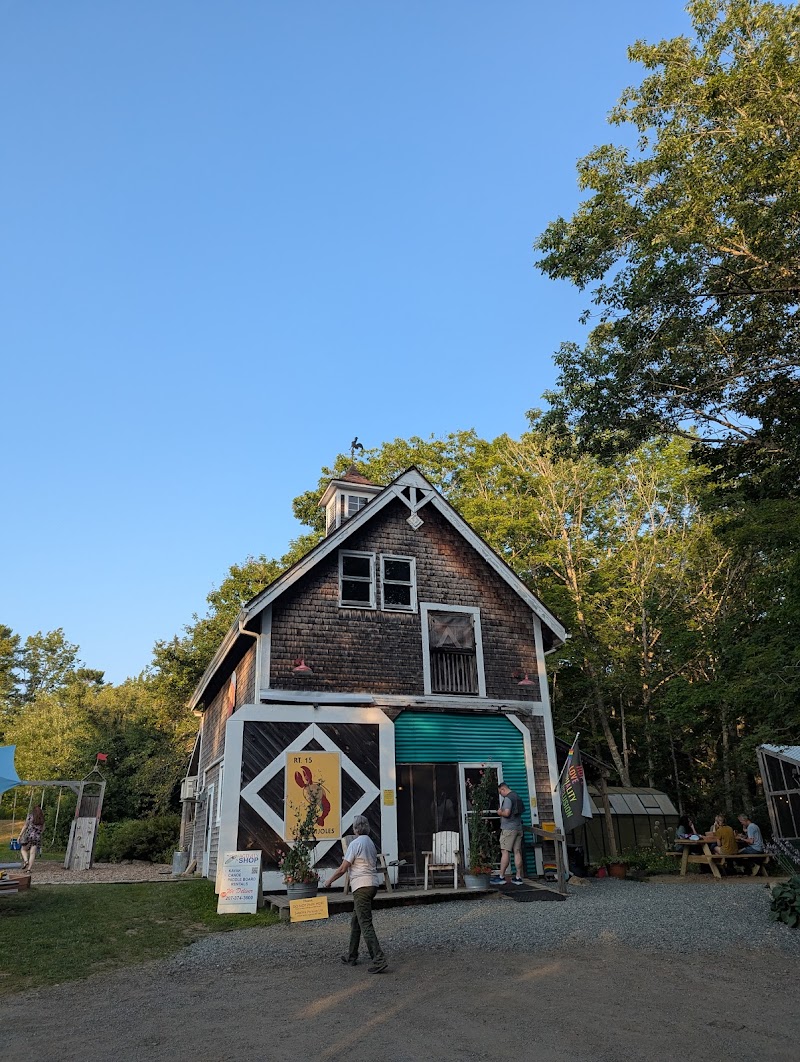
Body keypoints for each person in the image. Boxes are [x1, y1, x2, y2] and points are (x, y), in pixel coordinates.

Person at [323, 815, 388, 973]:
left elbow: (343, 868)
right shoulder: (370, 843)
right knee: (356, 921)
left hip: (361, 886)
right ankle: (352, 956)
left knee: (365, 922)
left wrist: (329, 880)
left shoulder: (355, 843)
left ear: (355, 828)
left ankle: (379, 959)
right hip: (372, 884)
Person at [490, 782, 524, 886]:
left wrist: (499, 812)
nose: (501, 795)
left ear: (503, 789)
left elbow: (507, 813)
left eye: (501, 792)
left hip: (509, 829)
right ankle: (518, 877)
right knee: (517, 852)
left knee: (505, 851)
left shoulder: (508, 798)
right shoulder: (517, 797)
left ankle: (501, 877)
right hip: (518, 827)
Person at [18, 805, 45, 873]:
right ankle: (29, 869)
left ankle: (26, 861)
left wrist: (20, 835)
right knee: (32, 853)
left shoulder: (30, 816)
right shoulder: (42, 818)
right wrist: (39, 832)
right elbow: (43, 829)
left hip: (28, 835)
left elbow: (25, 825)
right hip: (37, 837)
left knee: (23, 849)